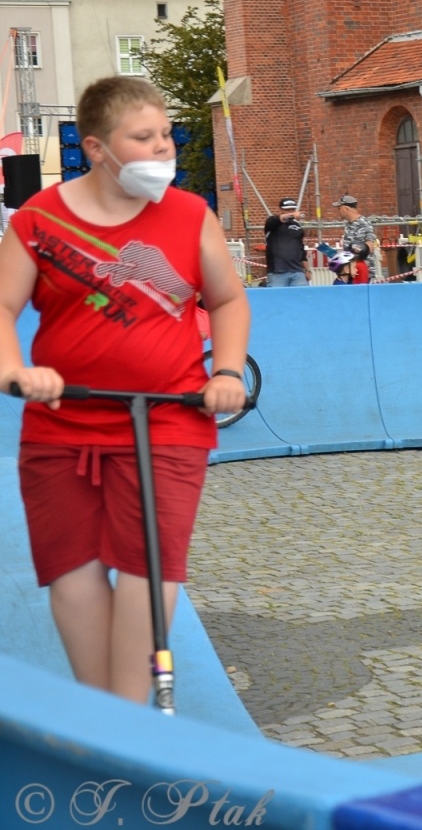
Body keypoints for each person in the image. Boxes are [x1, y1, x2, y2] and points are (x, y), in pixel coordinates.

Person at [0, 76, 250, 705]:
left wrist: (225, 372)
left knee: (149, 568)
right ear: (96, 147)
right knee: (71, 569)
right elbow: (2, 308)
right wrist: (18, 372)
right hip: (63, 423)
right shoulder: (36, 222)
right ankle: (106, 720)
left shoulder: (191, 216)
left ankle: (133, 719)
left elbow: (226, 299)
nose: (163, 150)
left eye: (166, 135)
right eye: (144, 138)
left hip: (167, 420)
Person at [263, 197, 309, 286]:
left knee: (301, 298)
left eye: (292, 209)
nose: (291, 211)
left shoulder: (297, 226)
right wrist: (292, 214)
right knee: (278, 298)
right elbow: (277, 219)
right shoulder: (272, 222)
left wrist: (307, 270)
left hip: (297, 271)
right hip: (277, 273)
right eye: (287, 210)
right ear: (281, 210)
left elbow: (301, 250)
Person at [335, 194, 380, 279]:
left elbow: (369, 247)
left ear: (346, 208)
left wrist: (354, 263)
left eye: (339, 208)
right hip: (351, 272)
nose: (338, 211)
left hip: (361, 272)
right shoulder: (348, 224)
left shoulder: (364, 223)